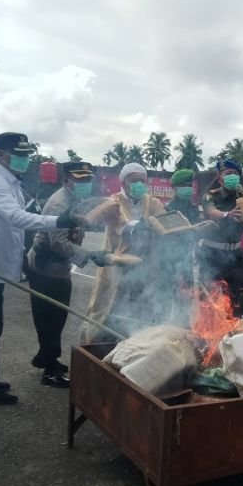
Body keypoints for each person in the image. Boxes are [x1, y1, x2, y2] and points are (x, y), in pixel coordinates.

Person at [0, 132, 83, 405]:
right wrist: (60, 220)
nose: (25, 160)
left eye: (27, 155)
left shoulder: (8, 180)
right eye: (20, 155)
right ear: (1, 154)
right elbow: (17, 218)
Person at [27, 162, 106, 388]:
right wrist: (89, 256)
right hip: (46, 266)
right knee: (50, 318)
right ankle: (50, 371)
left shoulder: (74, 200)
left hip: (58, 267)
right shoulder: (58, 203)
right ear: (66, 180)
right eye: (79, 179)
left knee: (56, 315)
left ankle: (45, 357)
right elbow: (58, 242)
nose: (84, 184)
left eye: (87, 179)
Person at [81, 163, 167, 342]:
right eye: (134, 180)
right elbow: (121, 222)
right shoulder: (113, 202)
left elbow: (163, 222)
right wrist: (140, 226)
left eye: (142, 180)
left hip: (144, 267)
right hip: (115, 266)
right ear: (124, 182)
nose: (139, 184)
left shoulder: (154, 203)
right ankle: (90, 347)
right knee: (104, 309)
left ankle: (135, 347)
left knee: (141, 309)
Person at [197, 160, 243, 318]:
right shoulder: (210, 196)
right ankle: (208, 336)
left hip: (236, 255)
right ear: (220, 177)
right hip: (212, 254)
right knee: (210, 299)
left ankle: (232, 333)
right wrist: (227, 214)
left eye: (236, 174)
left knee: (236, 299)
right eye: (228, 174)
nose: (233, 177)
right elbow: (211, 212)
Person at [162, 169, 201, 326]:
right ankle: (166, 328)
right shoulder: (168, 209)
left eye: (189, 185)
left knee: (187, 297)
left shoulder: (193, 208)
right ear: (175, 188)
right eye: (184, 185)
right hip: (170, 260)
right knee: (169, 297)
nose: (188, 188)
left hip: (187, 258)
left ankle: (183, 327)